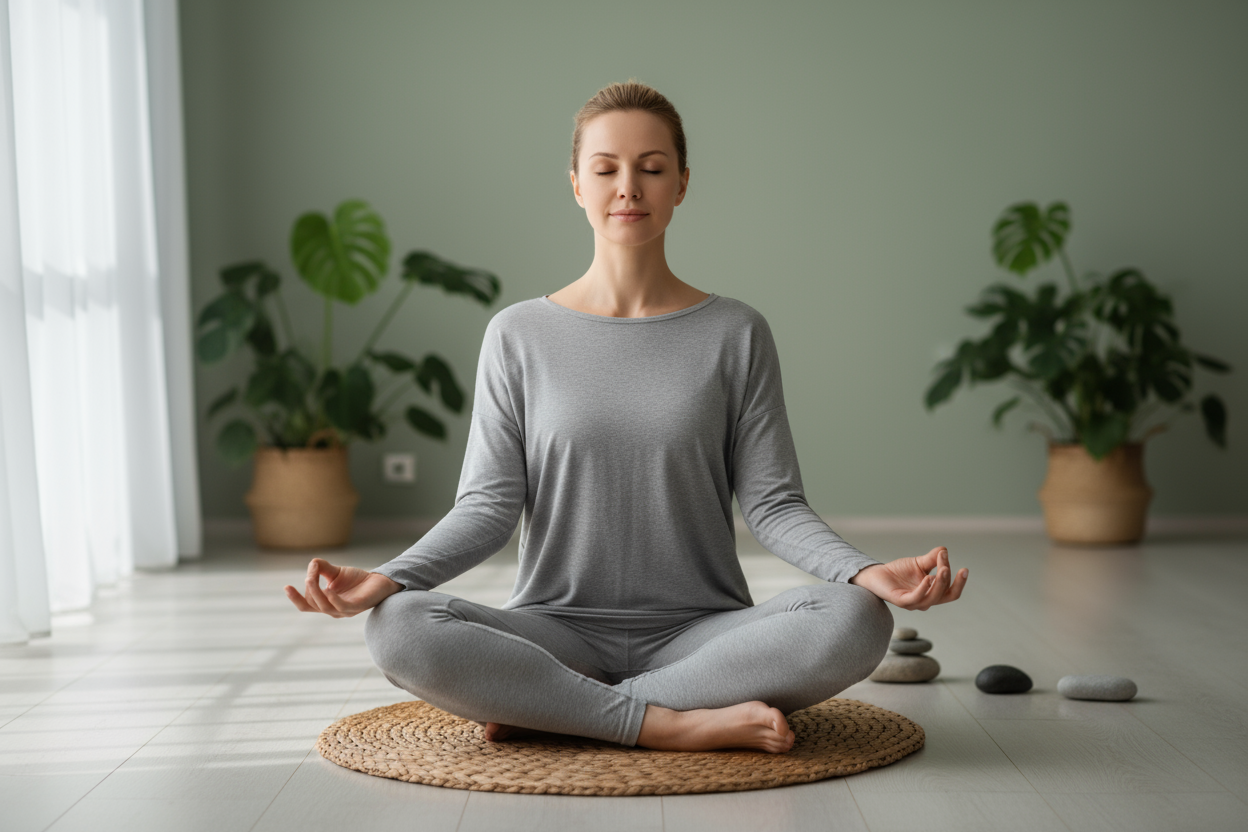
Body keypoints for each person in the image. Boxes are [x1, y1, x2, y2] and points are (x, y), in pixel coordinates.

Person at [284, 81, 968, 754]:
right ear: (577, 185)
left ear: (682, 184)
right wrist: (392, 576)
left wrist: (862, 571)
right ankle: (669, 723)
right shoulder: (517, 335)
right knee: (398, 625)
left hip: (704, 634)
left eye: (652, 168)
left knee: (856, 618)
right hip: (553, 631)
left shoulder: (736, 333)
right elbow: (488, 507)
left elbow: (773, 504)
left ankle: (559, 710)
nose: (629, 189)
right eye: (606, 169)